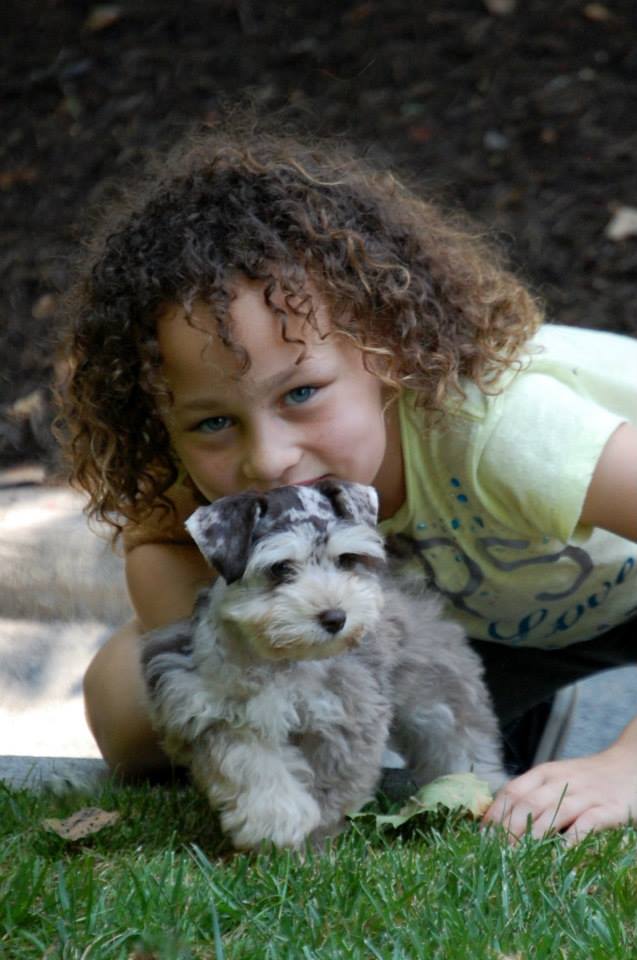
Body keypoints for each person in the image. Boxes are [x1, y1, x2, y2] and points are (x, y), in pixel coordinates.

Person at [58, 124, 637, 843]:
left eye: (300, 394)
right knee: (127, 703)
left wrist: (625, 768)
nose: (265, 460)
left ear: (385, 349)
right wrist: (232, 689)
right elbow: (158, 543)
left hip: (625, 585)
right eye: (212, 424)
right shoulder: (204, 460)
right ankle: (531, 713)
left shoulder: (498, 430)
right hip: (498, 625)